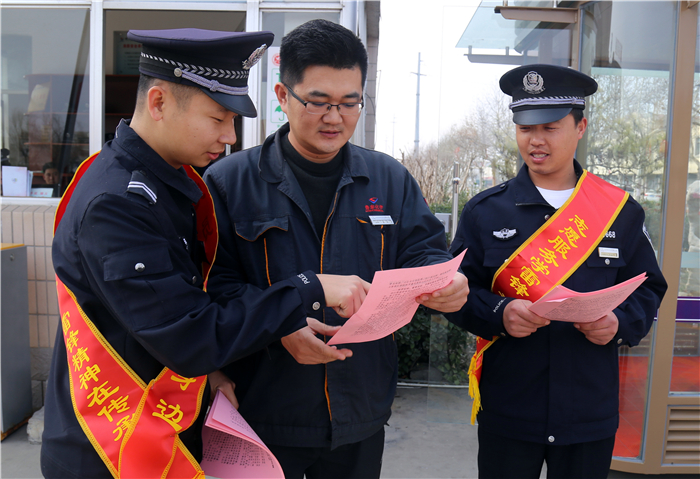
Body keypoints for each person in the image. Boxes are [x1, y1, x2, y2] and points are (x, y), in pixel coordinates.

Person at [41, 28, 370, 479]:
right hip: (108, 451)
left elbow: (187, 303)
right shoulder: (117, 203)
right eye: (217, 118)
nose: (231, 136)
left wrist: (215, 374)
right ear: (157, 103)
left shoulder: (166, 183)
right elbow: (189, 335)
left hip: (158, 432)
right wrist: (307, 290)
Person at [203, 19, 470, 479]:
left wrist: (447, 281)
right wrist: (279, 324)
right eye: (318, 102)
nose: (335, 117)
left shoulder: (389, 179)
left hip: (360, 409)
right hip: (263, 407)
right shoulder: (230, 183)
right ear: (284, 97)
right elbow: (211, 286)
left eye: (350, 103)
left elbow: (423, 251)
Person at [445, 64, 668, 479]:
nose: (536, 140)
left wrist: (619, 323)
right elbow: (455, 293)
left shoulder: (619, 211)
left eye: (550, 127)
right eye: (526, 128)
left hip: (588, 411)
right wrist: (499, 314)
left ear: (580, 126)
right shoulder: (485, 211)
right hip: (511, 409)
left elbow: (649, 288)